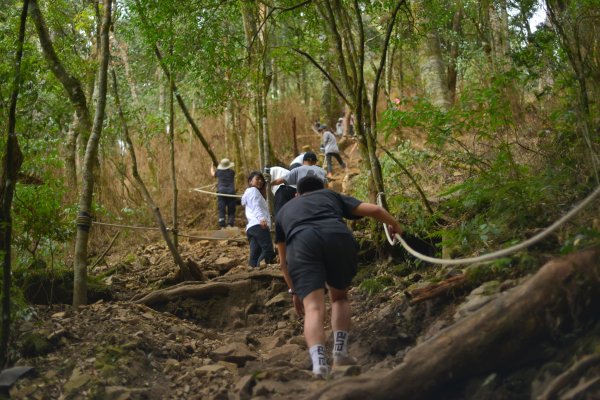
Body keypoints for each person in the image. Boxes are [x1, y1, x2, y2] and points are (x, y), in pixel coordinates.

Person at [274, 176, 403, 377]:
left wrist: (295, 290)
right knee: (340, 298)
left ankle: (319, 365)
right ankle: (340, 353)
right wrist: (395, 224)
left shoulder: (284, 211)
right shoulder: (330, 195)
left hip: (301, 244)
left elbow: (282, 263)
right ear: (323, 188)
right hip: (337, 237)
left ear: (297, 194)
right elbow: (375, 210)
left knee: (313, 308)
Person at [241, 171, 276, 268]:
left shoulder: (249, 193)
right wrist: (261, 218)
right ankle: (263, 271)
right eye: (257, 179)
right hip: (259, 225)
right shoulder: (253, 191)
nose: (260, 181)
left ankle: (252, 273)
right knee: (268, 250)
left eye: (261, 180)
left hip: (252, 227)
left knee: (255, 254)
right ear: (250, 181)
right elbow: (256, 206)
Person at [210, 158, 236, 228]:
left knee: (221, 209)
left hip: (221, 192)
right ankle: (230, 224)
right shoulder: (232, 172)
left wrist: (212, 166)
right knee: (231, 210)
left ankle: (222, 225)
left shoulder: (219, 172)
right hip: (231, 192)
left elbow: (212, 174)